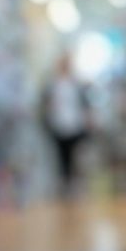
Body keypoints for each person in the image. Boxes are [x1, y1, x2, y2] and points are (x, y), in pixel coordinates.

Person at [40, 55, 90, 195]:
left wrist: (87, 118)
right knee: (61, 155)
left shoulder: (75, 83)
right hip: (58, 124)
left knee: (75, 154)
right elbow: (46, 103)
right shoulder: (52, 84)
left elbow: (84, 103)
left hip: (75, 124)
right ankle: (64, 182)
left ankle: (75, 182)